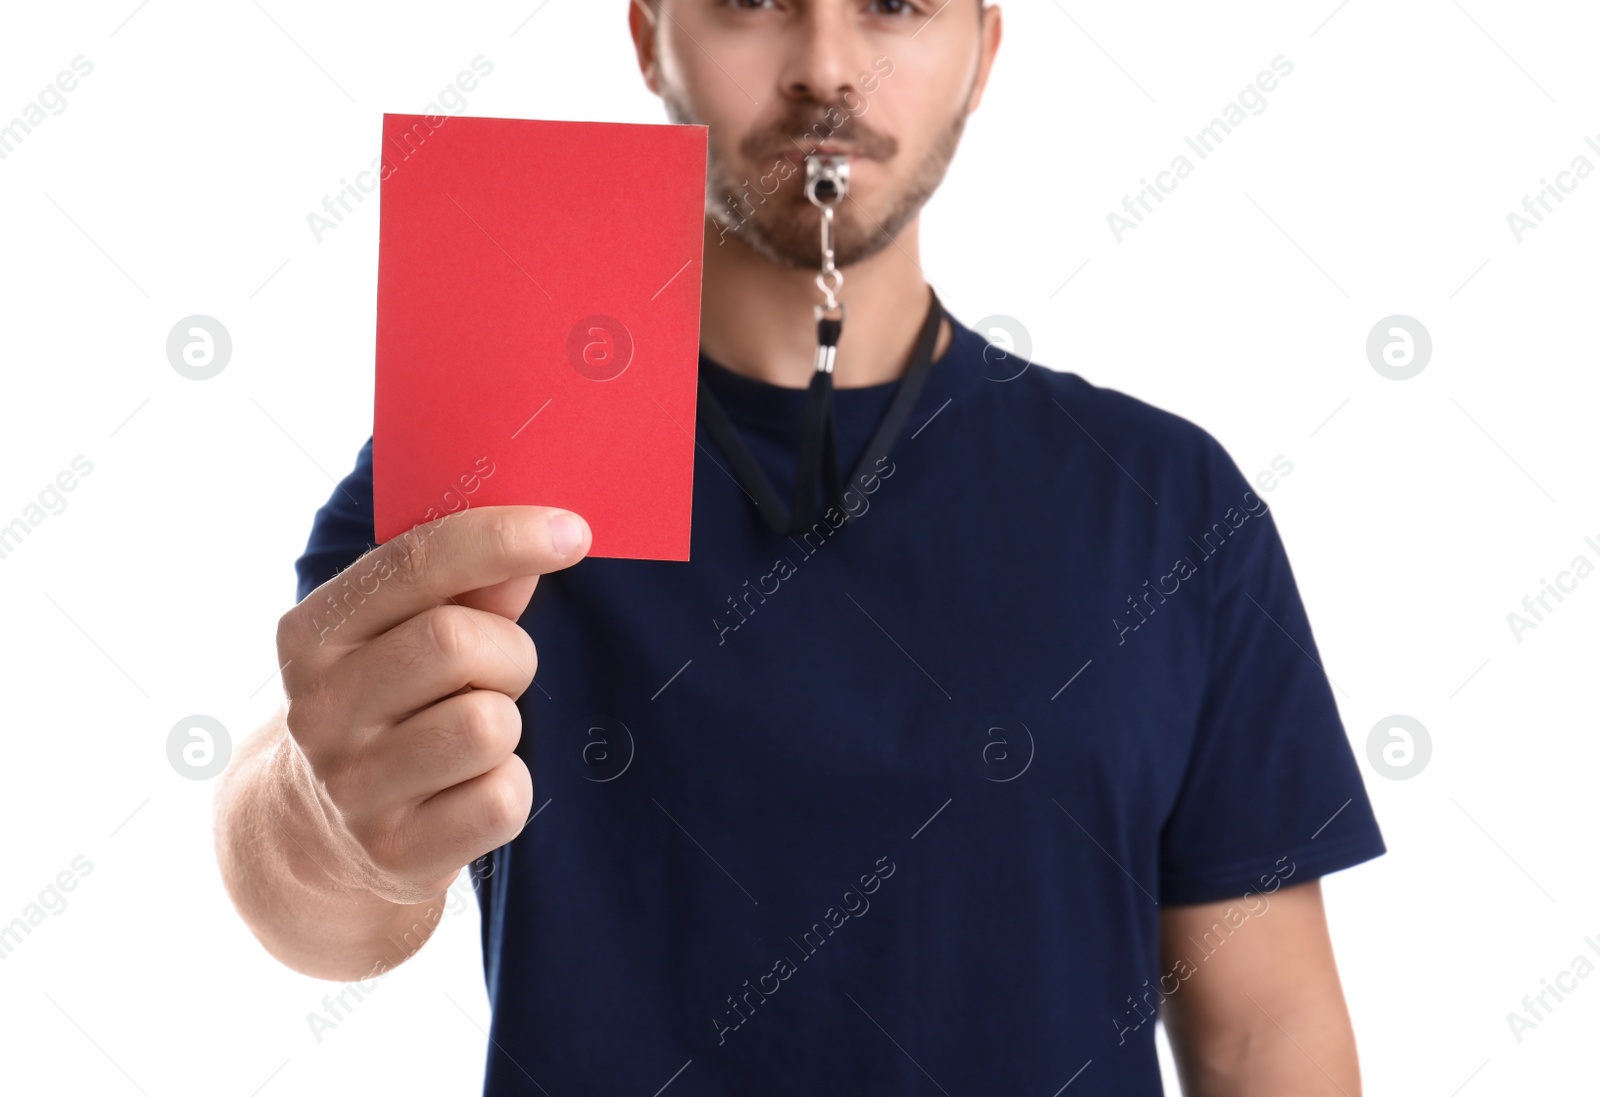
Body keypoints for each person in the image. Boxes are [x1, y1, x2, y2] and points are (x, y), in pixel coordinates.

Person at [214, 2, 1387, 1093]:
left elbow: (1261, 1028)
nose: (828, 66)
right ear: (646, 33)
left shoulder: (1168, 499)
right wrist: (332, 831)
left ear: (982, 49)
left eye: (892, 1)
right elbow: (313, 868)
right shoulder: (492, 447)